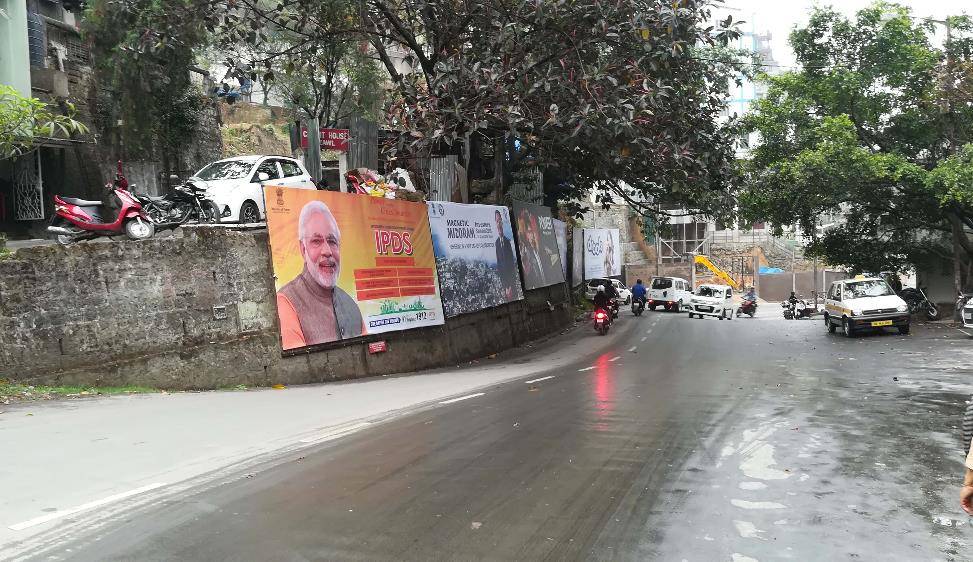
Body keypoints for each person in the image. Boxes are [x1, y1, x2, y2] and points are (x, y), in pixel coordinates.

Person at [276, 200, 364, 349]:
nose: (327, 251)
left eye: (332, 241)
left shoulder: (351, 305)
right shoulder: (287, 301)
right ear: (303, 249)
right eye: (316, 241)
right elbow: (297, 365)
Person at [494, 209, 518, 299]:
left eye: (500, 220)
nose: (499, 223)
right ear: (495, 223)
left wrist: (511, 285)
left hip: (512, 284)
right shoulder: (496, 243)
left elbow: (512, 264)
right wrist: (506, 286)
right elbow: (499, 266)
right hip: (506, 286)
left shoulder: (509, 241)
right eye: (497, 221)